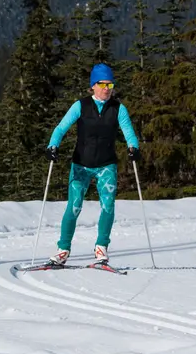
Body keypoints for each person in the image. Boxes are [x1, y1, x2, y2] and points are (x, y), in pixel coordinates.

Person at [44, 63, 140, 266]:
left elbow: (128, 131)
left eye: (110, 84)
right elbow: (61, 128)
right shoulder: (81, 105)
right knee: (74, 206)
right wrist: (53, 145)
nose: (107, 89)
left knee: (108, 205)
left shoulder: (118, 108)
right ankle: (63, 250)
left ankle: (101, 247)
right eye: (102, 84)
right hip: (81, 164)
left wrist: (133, 147)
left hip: (106, 165)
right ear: (93, 85)